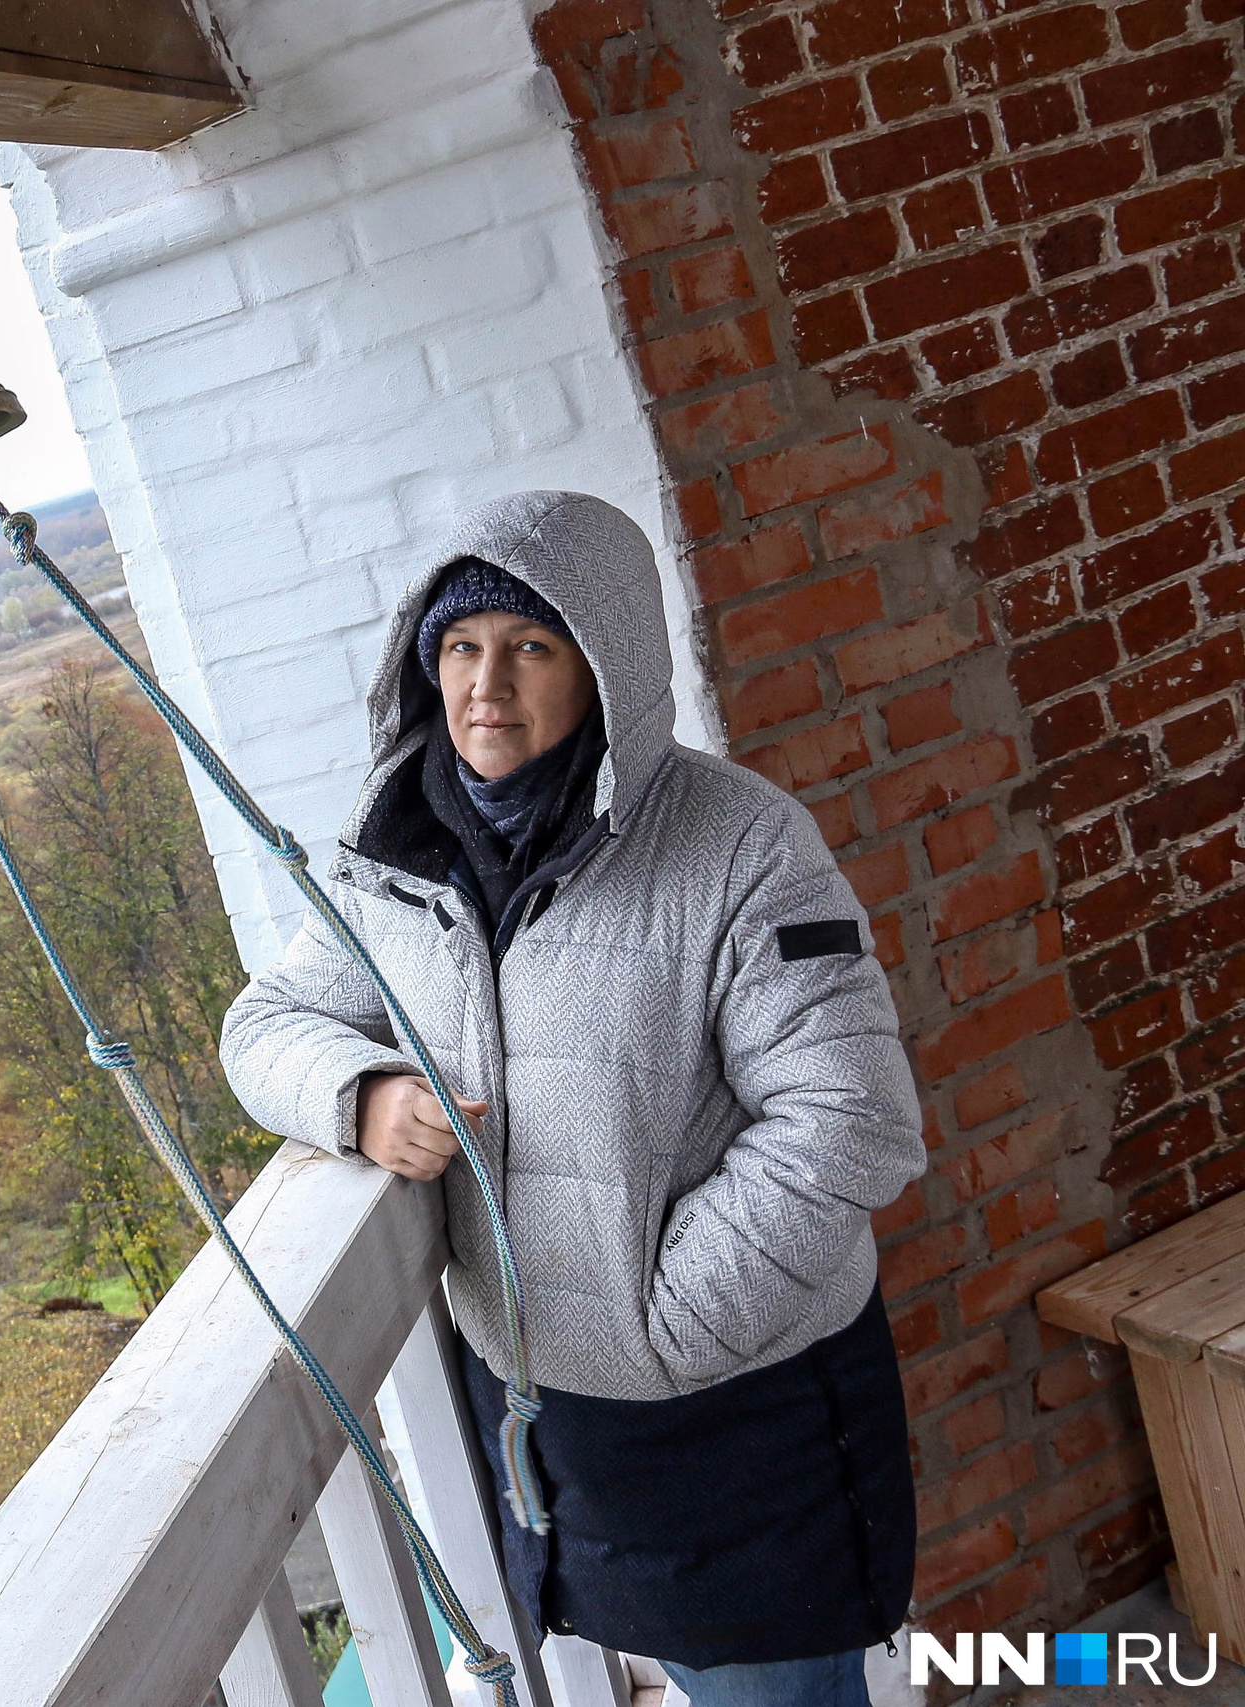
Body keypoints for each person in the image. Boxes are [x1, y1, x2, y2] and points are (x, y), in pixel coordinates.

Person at [219, 491, 925, 1707]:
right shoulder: (399, 850)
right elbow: (264, 1025)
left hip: (739, 1404)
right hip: (559, 1432)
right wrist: (361, 1093)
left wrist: (665, 1323)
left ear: (606, 668)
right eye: (458, 649)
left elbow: (850, 1116)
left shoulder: (738, 842)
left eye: (528, 648)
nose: (484, 685)